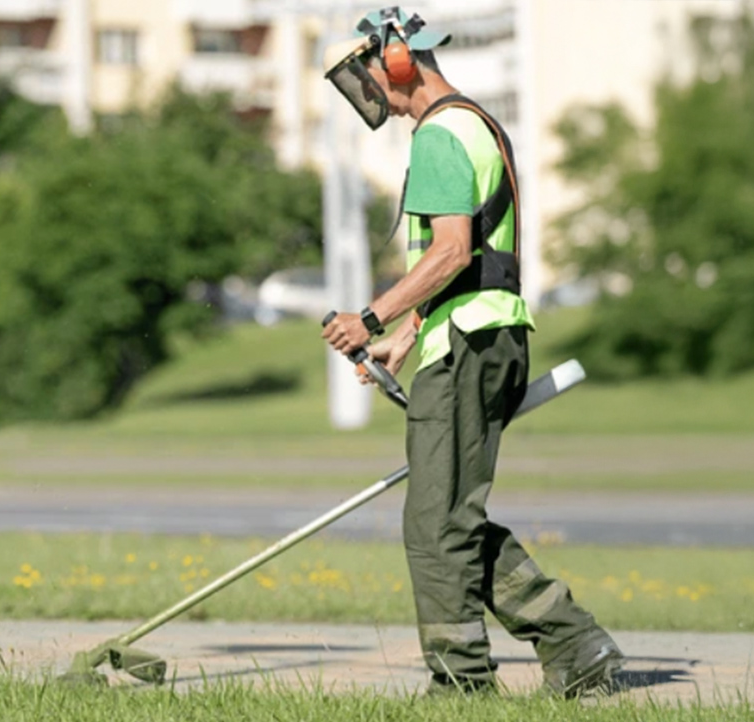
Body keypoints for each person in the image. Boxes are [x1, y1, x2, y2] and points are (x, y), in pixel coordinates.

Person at [319, 6, 624, 697]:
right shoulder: (473, 124)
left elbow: (454, 251)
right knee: (452, 518)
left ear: (396, 62)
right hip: (481, 336)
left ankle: (461, 685)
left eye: (365, 80)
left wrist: (370, 318)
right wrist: (404, 338)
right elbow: (472, 259)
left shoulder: (438, 135)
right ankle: (578, 646)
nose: (372, 100)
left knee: (433, 530)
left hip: (469, 348)